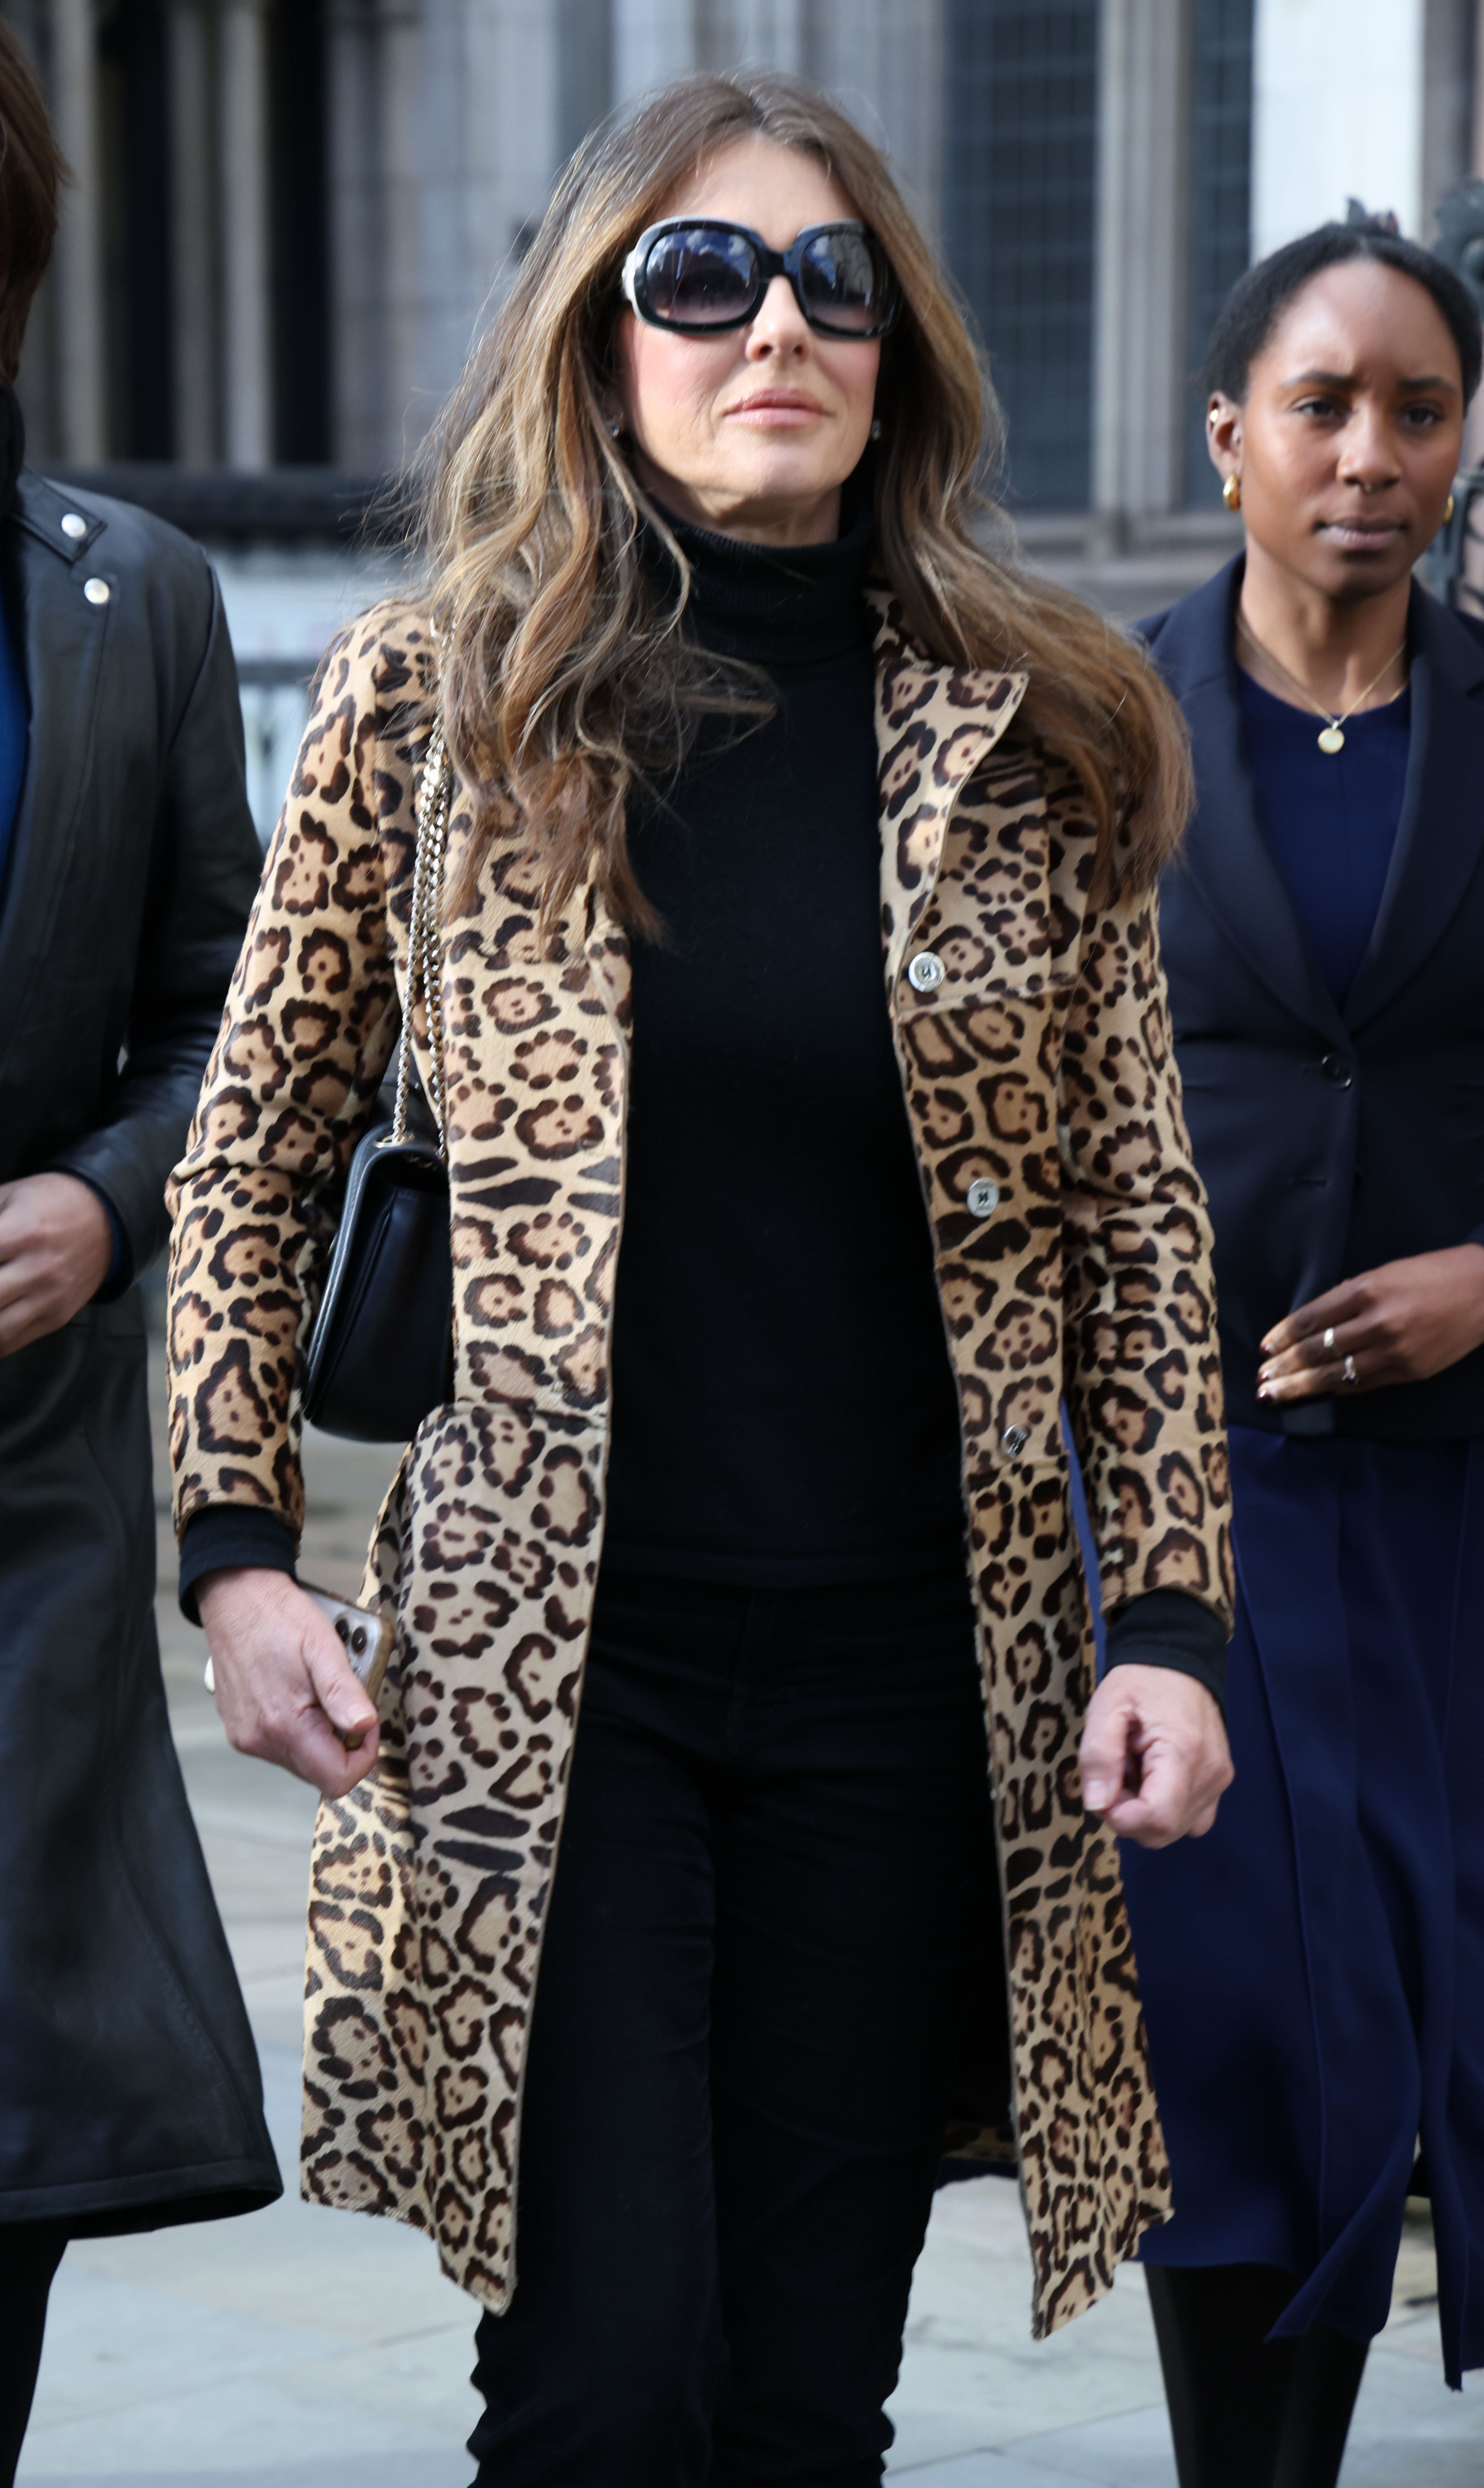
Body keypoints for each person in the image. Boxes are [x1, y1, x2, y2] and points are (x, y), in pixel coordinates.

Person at [168, 72, 1233, 2486]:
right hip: (553, 1679)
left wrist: (1169, 1618)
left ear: (897, 347)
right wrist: (235, 1551)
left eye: (832, 280)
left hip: (906, 1679)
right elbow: (257, 1143)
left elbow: (1137, 1229)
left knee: (801, 2399)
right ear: (598, 336)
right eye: (702, 273)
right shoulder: (438, 697)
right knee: (601, 2386)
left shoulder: (1034, 734)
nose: (776, 325)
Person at [1126, 219, 1484, 2488]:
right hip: (1196, 1500)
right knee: (1241, 2027)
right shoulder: (1094, 729)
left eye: (1418, 410)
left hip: (1459, 1501)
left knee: (1436, 2001)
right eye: (1321, 405)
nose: (1370, 454)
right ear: (1226, 435)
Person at [0, 27, 280, 2481]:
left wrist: (106, 1195)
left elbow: (249, 1020)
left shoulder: (132, 597)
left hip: (30, 1509)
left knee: (13, 2155)